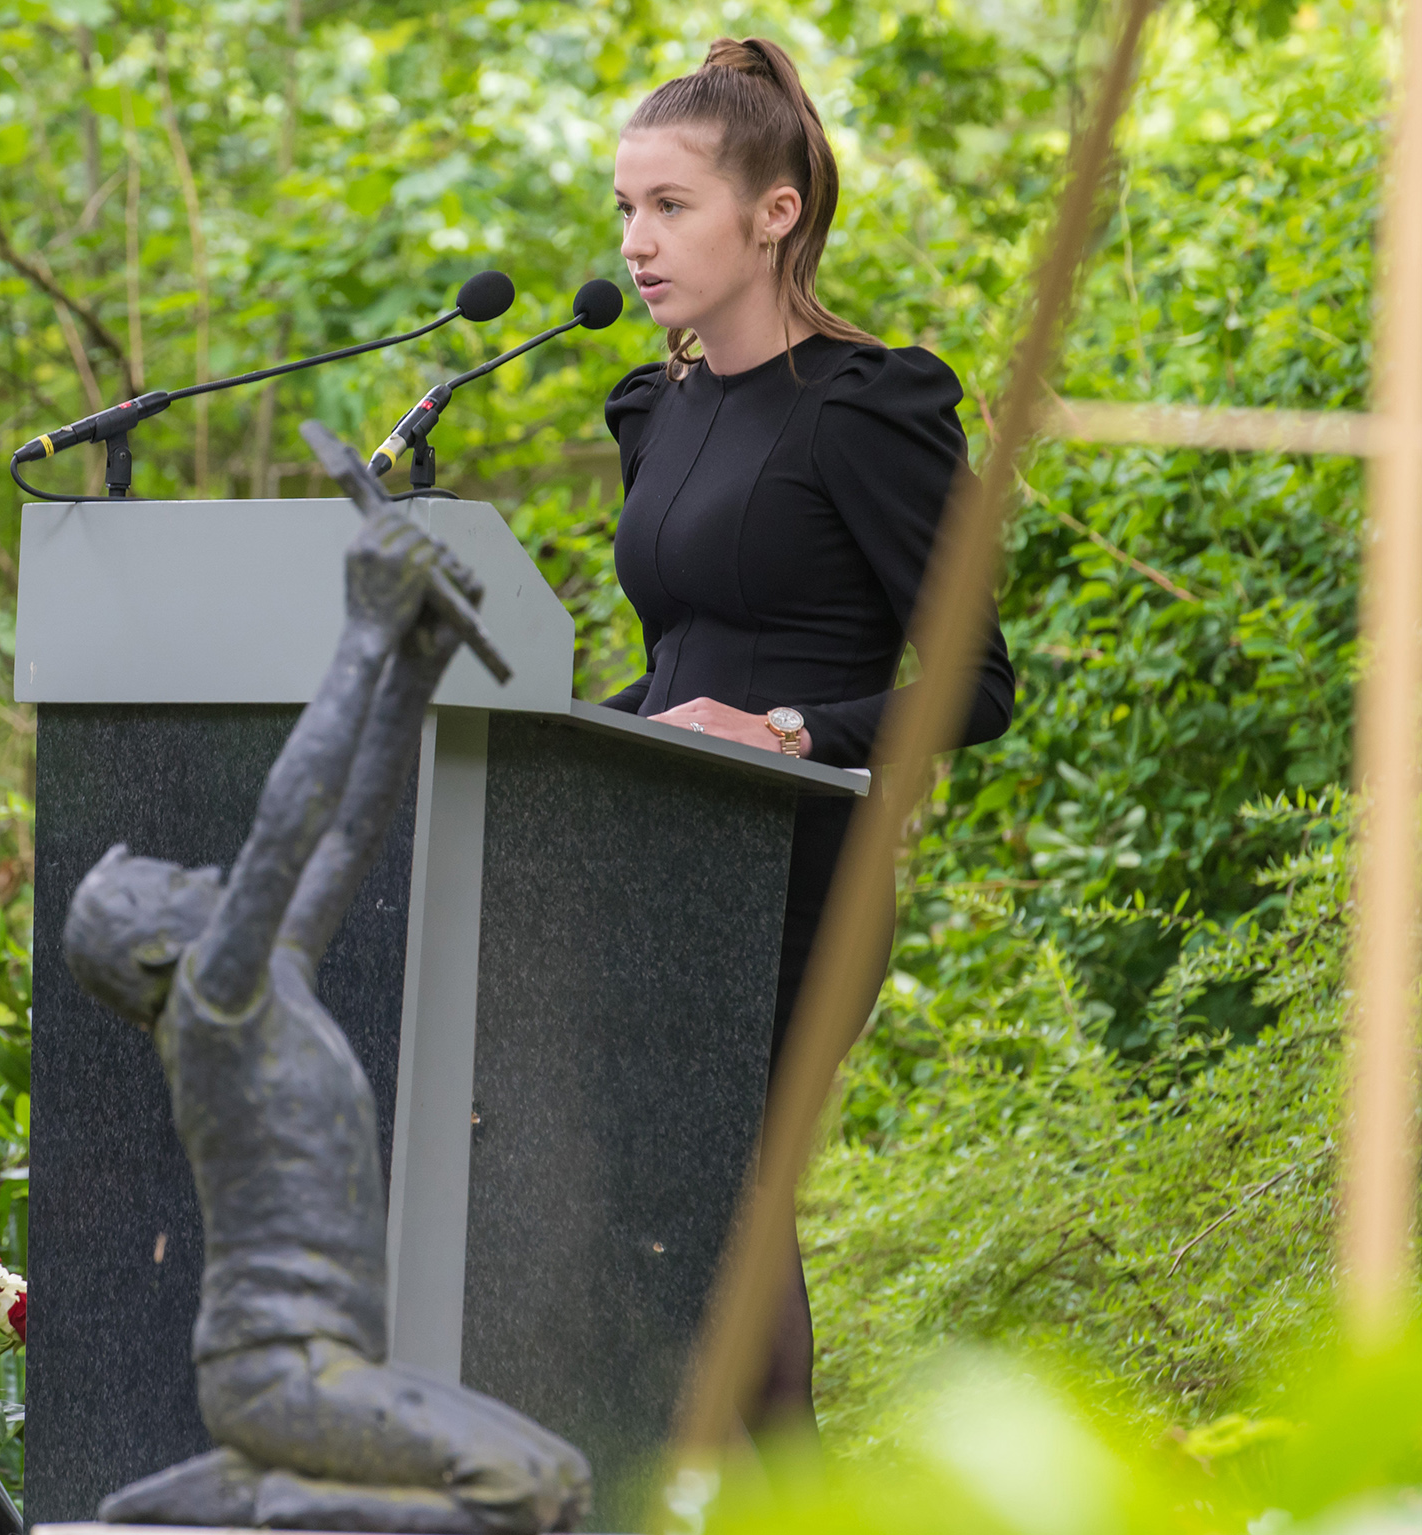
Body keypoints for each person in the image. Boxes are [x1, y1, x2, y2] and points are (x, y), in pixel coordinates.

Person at [603, 38, 1017, 1437]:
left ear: (771, 212)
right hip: (653, 860)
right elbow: (678, 663)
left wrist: (786, 728)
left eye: (669, 206)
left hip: (796, 885)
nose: (635, 241)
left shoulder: (867, 406)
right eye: (623, 209)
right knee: (659, 1246)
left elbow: (977, 681)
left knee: (729, 1216)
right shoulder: (655, 409)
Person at [64, 512, 592, 1534]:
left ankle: (256, 1491)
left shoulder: (273, 983)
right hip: (273, 1371)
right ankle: (268, 1499)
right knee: (514, 1493)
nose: (207, 876)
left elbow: (347, 828)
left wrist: (415, 665)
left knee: (560, 1475)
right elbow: (281, 828)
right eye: (176, 882)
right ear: (154, 957)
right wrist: (362, 629)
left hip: (336, 1363)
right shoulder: (211, 1013)